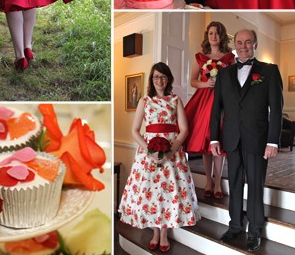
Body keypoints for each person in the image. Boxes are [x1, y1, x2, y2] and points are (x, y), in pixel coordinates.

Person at [210, 29, 283, 252]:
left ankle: (255, 231)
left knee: (255, 186)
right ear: (235, 45)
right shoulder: (224, 74)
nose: (243, 46)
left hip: (257, 140)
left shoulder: (269, 71)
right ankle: (235, 227)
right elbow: (216, 109)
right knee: (233, 184)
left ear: (255, 44)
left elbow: (276, 109)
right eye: (239, 42)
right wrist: (214, 137)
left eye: (248, 42)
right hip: (231, 139)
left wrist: (273, 141)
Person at [119, 62, 200, 252]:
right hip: (148, 155)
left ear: (168, 79)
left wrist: (171, 151)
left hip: (172, 153)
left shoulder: (175, 100)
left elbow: (185, 129)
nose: (159, 80)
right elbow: (135, 130)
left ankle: (163, 234)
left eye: (163, 77)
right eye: (156, 77)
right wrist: (149, 150)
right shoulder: (144, 101)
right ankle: (155, 232)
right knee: (152, 193)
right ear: (151, 79)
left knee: (167, 193)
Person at [185, 21, 235, 198]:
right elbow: (192, 81)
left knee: (219, 140)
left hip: (224, 102)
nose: (214, 37)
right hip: (205, 101)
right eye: (211, 33)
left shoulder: (229, 58)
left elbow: (235, 81)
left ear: (222, 36)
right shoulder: (200, 57)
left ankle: (218, 182)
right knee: (206, 140)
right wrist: (207, 83)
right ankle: (208, 180)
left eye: (218, 33)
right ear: (207, 36)